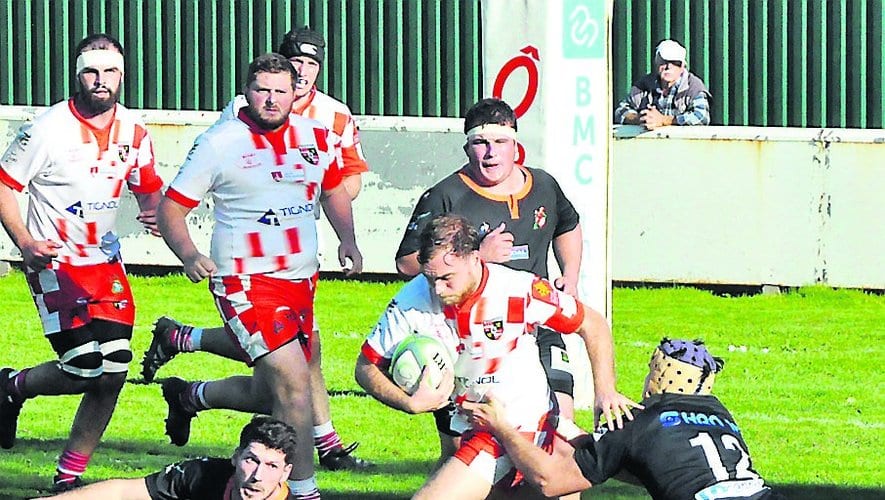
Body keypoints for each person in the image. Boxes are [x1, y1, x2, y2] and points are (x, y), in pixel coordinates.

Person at [139, 26, 371, 472]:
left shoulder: (319, 133)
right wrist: (189, 255)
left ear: (297, 91)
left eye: (280, 91)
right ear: (246, 92)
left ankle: (190, 393)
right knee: (295, 386)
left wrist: (349, 239)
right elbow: (172, 208)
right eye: (262, 90)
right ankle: (305, 485)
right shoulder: (220, 140)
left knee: (271, 391)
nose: (271, 99)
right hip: (244, 279)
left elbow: (333, 190)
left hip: (301, 278)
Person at [355, 214, 639, 499]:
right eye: (430, 278)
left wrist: (605, 391)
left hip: (527, 427)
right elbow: (365, 367)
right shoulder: (409, 303)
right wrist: (409, 403)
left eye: (446, 278)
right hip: (477, 427)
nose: (437, 290)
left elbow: (591, 323)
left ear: (474, 258)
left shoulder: (517, 291)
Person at [0, 33, 164, 492]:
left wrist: (154, 210)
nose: (101, 81)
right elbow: (5, 184)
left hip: (104, 263)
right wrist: (25, 243)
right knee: (85, 367)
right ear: (77, 74)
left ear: (123, 75)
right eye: (92, 71)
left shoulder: (134, 130)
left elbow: (147, 183)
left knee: (113, 372)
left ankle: (68, 478)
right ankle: (12, 387)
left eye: (110, 72)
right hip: (54, 263)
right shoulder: (46, 129)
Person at [393, 97, 588, 469]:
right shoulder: (446, 196)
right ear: (467, 147)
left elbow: (568, 224)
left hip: (537, 324)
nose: (490, 153)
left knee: (560, 429)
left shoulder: (544, 185)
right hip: (468, 337)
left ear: (516, 144)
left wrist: (571, 274)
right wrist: (476, 256)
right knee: (464, 450)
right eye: (480, 144)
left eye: (500, 143)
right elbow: (405, 262)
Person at [463, 338, 781, 500]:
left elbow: (550, 482)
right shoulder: (720, 414)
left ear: (655, 377)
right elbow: (656, 464)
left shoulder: (639, 424)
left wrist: (501, 427)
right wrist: (569, 428)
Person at [39, 415, 300, 500]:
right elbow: (122, 491)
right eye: (251, 460)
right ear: (235, 457)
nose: (257, 476)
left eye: (271, 466)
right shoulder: (202, 475)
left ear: (285, 473)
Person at [614, 39, 711, 129]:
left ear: (683, 66)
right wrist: (640, 118)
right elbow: (620, 112)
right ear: (656, 62)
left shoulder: (693, 87)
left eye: (675, 63)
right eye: (664, 61)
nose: (668, 67)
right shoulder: (643, 85)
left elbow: (701, 117)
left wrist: (663, 120)